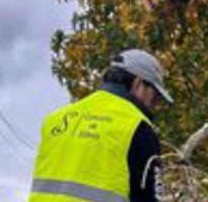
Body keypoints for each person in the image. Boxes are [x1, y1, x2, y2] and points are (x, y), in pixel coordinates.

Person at [28, 49, 173, 202]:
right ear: (138, 83)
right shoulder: (138, 128)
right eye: (155, 96)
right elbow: (146, 198)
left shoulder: (55, 120)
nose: (154, 105)